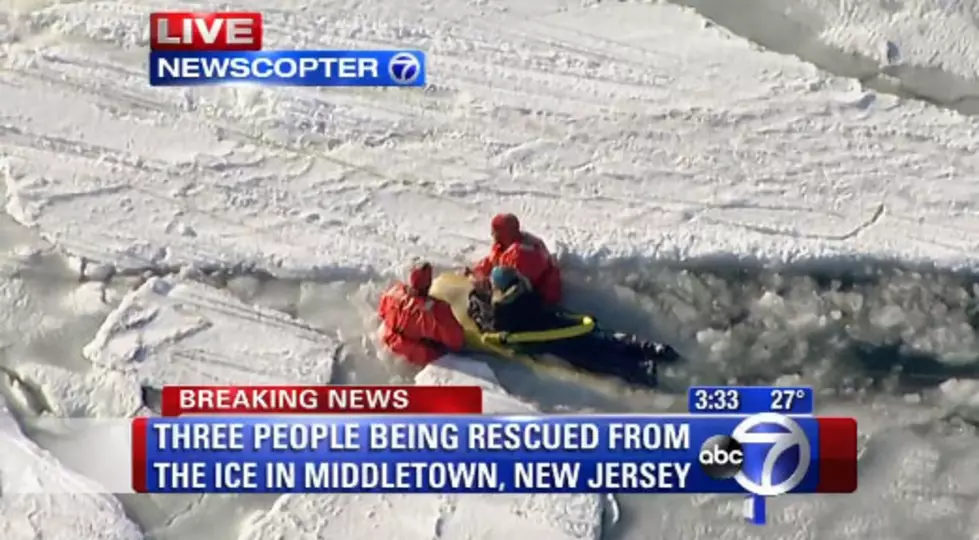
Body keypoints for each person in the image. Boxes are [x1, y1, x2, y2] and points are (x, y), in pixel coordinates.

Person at [468, 267, 676, 386]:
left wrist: (476, 298)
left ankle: (645, 373)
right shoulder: (525, 291)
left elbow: (488, 327)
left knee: (594, 358)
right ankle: (651, 348)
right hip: (557, 321)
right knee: (602, 338)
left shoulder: (502, 310)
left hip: (547, 339)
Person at [377, 262, 465, 366]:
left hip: (386, 340)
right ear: (429, 284)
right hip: (414, 356)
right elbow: (456, 341)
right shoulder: (436, 310)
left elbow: (382, 312)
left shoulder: (394, 292)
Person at [467, 213, 563, 305]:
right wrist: (476, 274)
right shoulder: (505, 246)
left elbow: (520, 284)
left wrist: (488, 285)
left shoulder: (524, 253)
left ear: (503, 233)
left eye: (495, 231)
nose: (492, 234)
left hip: (537, 299)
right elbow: (492, 261)